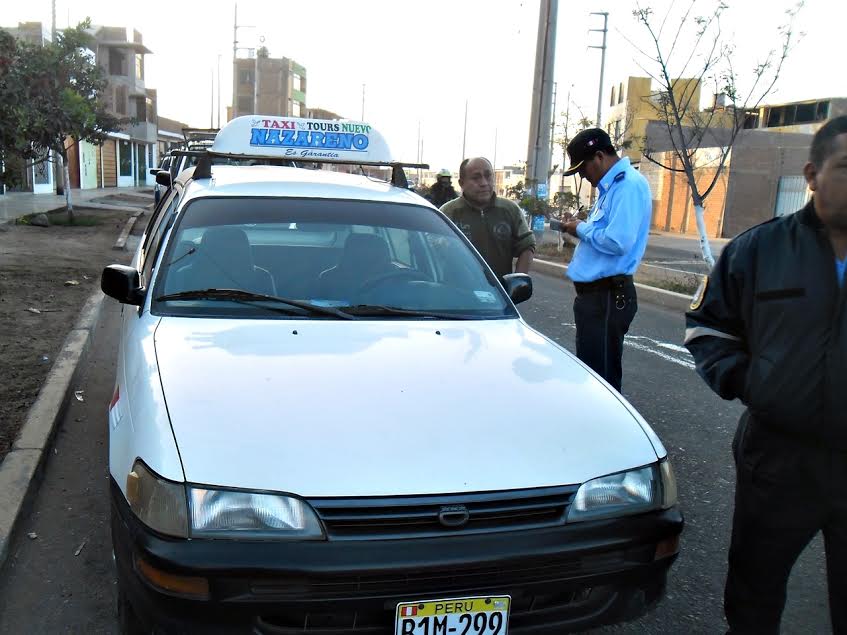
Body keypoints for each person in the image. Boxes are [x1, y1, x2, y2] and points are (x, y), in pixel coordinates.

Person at [684, 115, 847, 635]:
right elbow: (707, 329)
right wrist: (753, 384)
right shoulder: (759, 251)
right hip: (779, 460)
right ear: (813, 174)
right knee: (754, 596)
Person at [558, 128, 652, 392]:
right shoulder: (611, 188)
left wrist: (581, 228)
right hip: (597, 298)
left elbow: (618, 241)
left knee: (602, 381)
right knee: (593, 373)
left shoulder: (627, 185)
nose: (583, 176)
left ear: (598, 157)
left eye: (582, 169)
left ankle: (606, 431)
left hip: (608, 296)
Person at [441, 157, 535, 280]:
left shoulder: (510, 210)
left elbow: (527, 245)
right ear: (461, 183)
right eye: (476, 178)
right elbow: (433, 251)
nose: (484, 183)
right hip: (459, 294)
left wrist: (518, 284)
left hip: (499, 295)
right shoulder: (448, 213)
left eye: (488, 176)